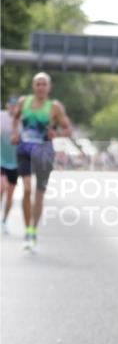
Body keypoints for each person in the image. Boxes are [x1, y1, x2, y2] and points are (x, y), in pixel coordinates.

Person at [12, 73, 72, 252]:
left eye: (44, 84)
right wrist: (15, 133)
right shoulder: (24, 102)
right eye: (38, 84)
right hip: (24, 151)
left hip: (44, 153)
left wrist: (57, 134)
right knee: (27, 189)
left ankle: (33, 229)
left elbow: (67, 129)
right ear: (33, 86)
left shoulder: (54, 107)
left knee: (39, 194)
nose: (40, 87)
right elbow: (15, 118)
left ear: (49, 87)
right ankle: (27, 231)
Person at [1, 95, 20, 234]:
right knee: (1, 187)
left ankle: (4, 222)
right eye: (11, 104)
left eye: (16, 105)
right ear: (7, 105)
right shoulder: (1, 117)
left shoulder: (22, 121)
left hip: (15, 163)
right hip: (1, 160)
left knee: (10, 194)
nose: (13, 107)